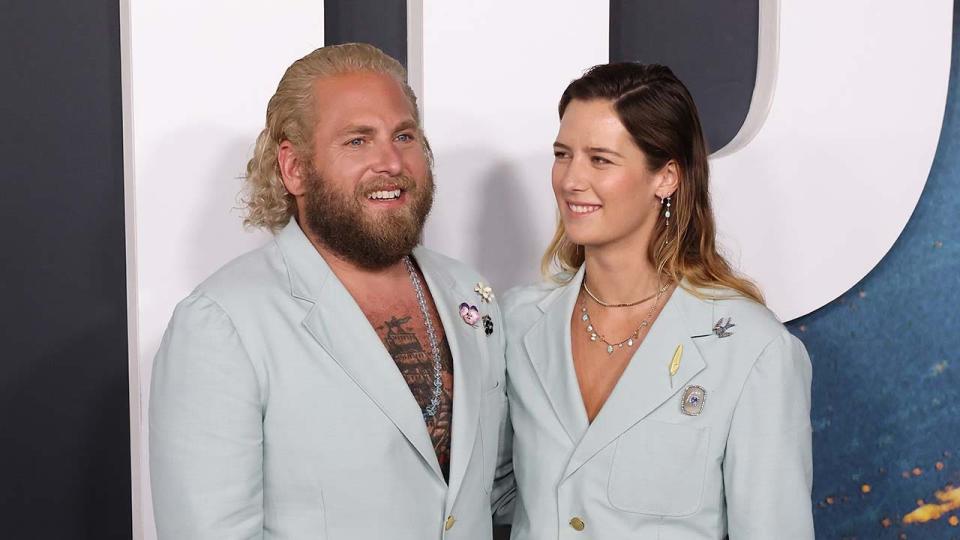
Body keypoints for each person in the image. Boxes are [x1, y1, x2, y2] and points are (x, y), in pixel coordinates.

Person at [149, 43, 512, 539]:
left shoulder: (469, 292)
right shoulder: (222, 322)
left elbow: (496, 489)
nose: (390, 161)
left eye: (404, 135)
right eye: (357, 141)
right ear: (294, 168)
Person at [501, 63, 814, 539]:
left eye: (600, 159)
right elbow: (490, 493)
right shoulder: (516, 322)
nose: (570, 180)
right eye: (563, 154)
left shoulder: (753, 350)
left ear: (666, 176)